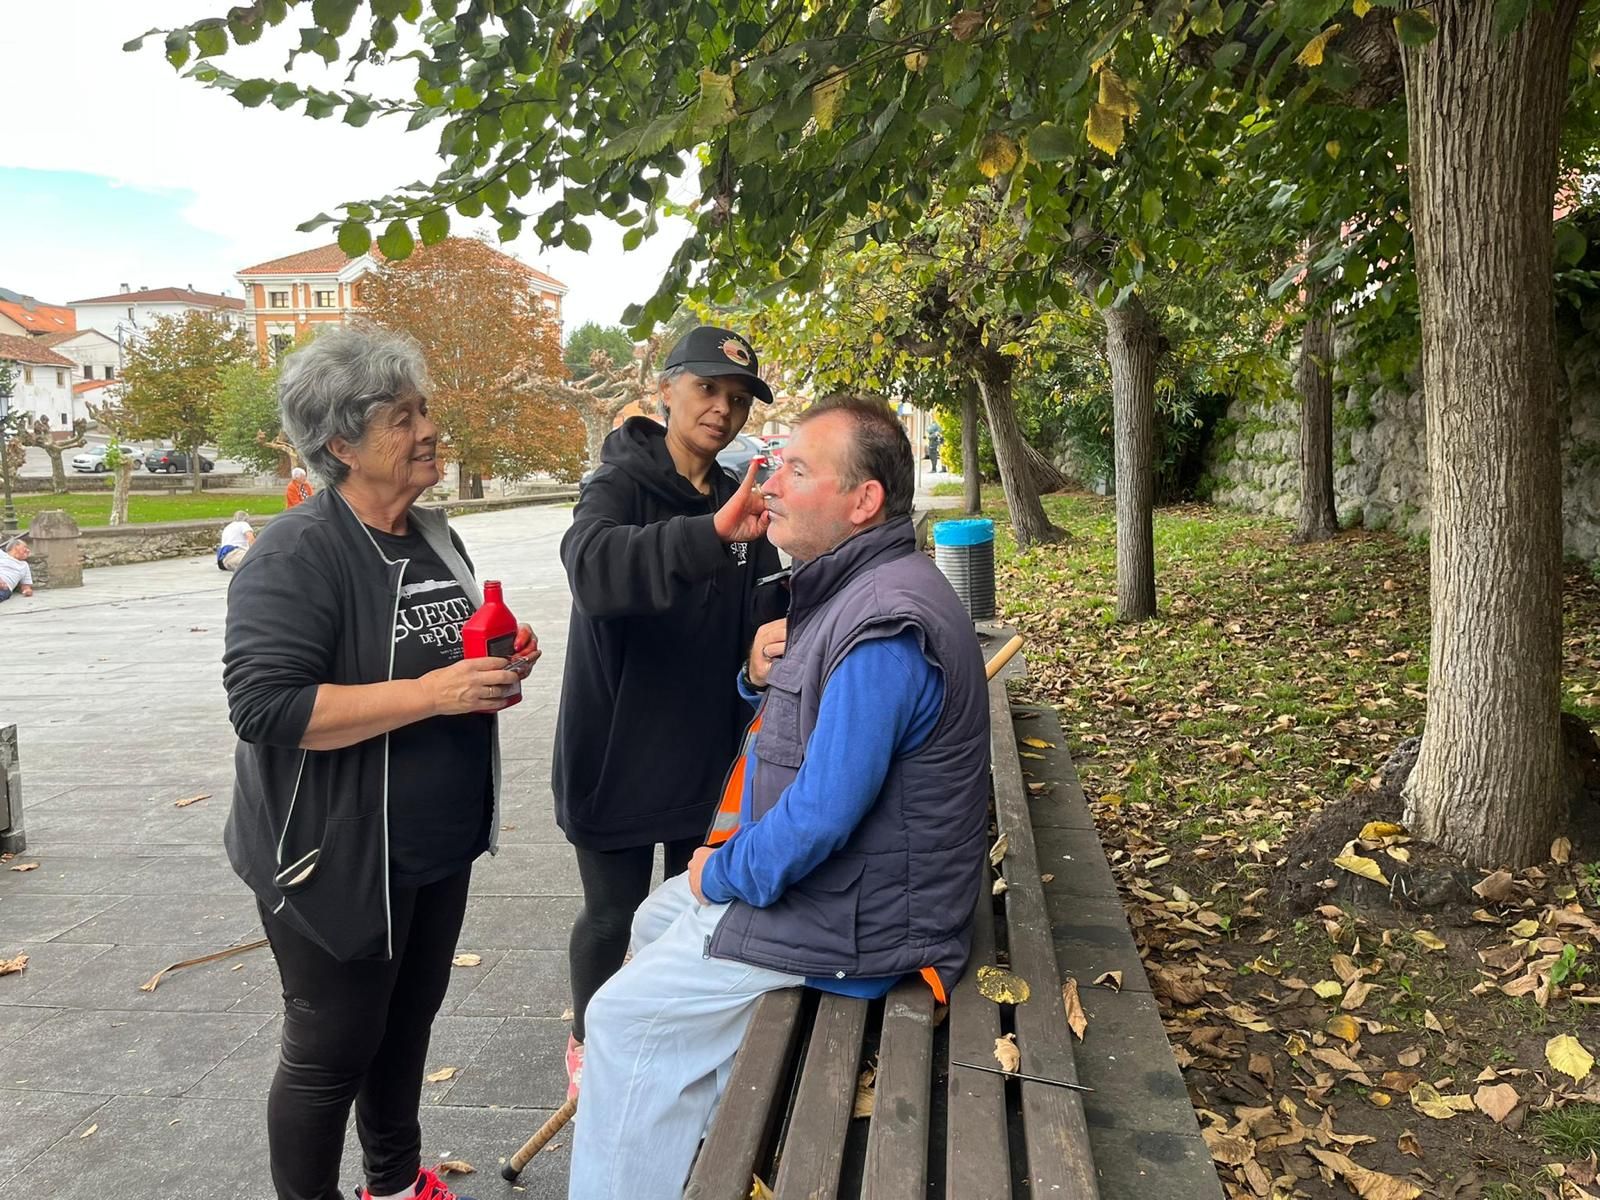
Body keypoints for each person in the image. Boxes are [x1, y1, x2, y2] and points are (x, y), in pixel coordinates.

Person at [566, 395, 991, 1200]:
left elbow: (821, 816)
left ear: (863, 501)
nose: (770, 486)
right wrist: (756, 676)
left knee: (620, 1019)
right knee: (655, 918)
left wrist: (721, 873)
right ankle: (690, 1140)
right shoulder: (860, 588)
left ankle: (652, 1153)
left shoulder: (885, 626)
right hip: (861, 891)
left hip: (866, 922)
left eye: (797, 470)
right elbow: (809, 739)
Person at [222, 327, 539, 1200]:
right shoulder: (297, 551)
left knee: (406, 1032)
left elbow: (439, 651)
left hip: (433, 847)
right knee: (331, 1053)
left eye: (425, 409)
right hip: (336, 854)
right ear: (341, 444)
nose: (429, 429)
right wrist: (436, 694)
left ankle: (396, 1185)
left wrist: (497, 656)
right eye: (403, 418)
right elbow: (267, 709)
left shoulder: (432, 536)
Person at [552, 325, 784, 1099]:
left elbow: (763, 594)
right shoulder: (617, 481)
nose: (723, 409)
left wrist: (762, 639)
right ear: (668, 388)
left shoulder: (735, 492)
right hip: (617, 750)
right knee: (612, 914)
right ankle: (592, 1043)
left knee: (690, 906)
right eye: (708, 389)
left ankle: (668, 1038)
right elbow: (594, 571)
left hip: (704, 749)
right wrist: (712, 535)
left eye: (739, 397)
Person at [0, 538, 34, 602]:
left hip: (4, 588)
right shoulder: (2, 555)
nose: (28, 550)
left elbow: (26, 585)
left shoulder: (24, 565)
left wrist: (27, 591)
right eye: (25, 547)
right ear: (16, 547)